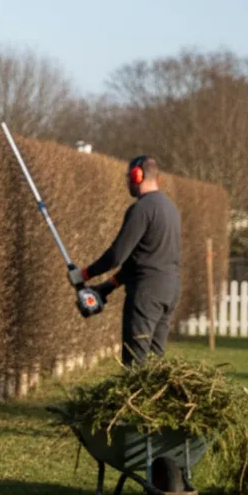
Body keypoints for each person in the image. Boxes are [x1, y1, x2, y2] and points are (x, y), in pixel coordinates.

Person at [68, 156, 182, 366]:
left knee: (135, 362)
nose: (127, 181)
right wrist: (107, 287)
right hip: (169, 291)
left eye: (129, 177)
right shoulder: (170, 208)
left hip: (146, 294)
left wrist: (85, 274)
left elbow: (117, 255)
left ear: (137, 176)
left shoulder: (142, 209)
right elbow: (141, 258)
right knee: (155, 363)